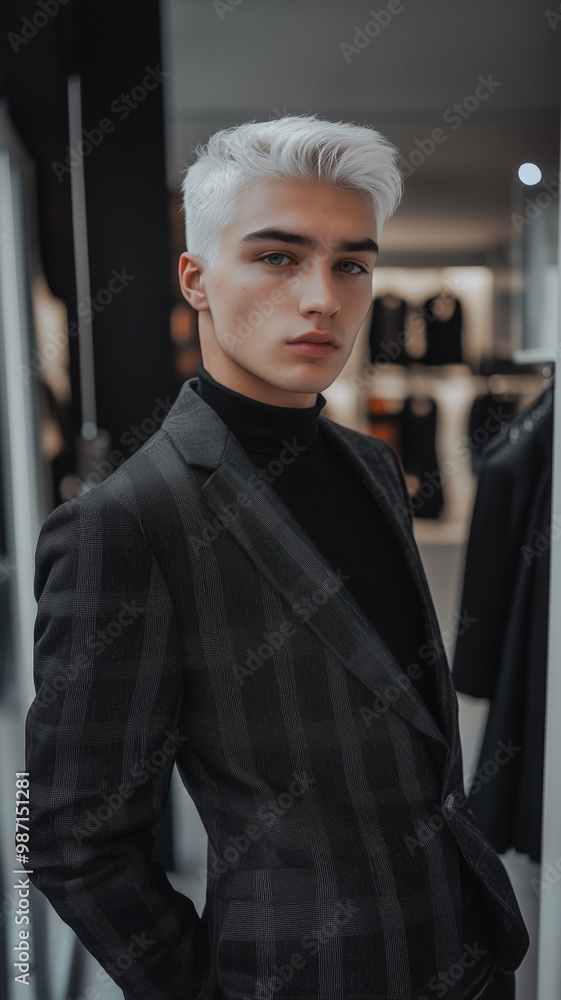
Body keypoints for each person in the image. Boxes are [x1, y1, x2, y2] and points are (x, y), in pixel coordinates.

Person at [25, 115, 528, 1000]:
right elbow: (68, 837)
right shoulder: (128, 521)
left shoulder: (369, 463)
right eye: (276, 257)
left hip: (467, 951)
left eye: (351, 264)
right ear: (197, 279)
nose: (322, 299)